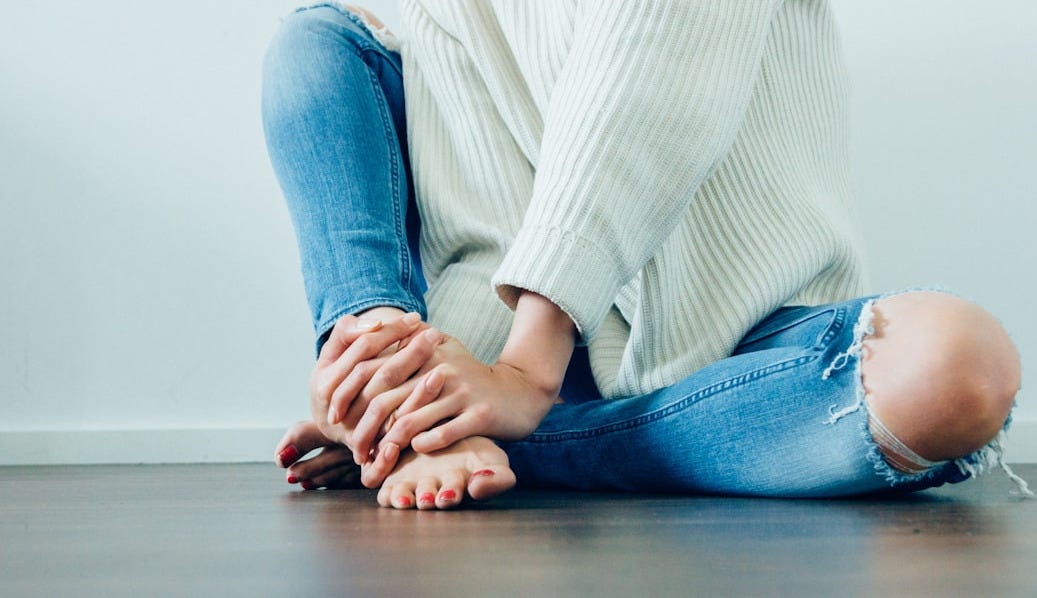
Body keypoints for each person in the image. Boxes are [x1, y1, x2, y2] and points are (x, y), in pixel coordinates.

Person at [261, 1, 1030, 509]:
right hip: (522, 350)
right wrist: (426, 386)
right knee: (318, 41)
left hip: (749, 341)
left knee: (956, 366)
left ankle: (520, 447)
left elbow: (642, 95)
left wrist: (523, 375)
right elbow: (483, 211)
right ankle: (383, 387)